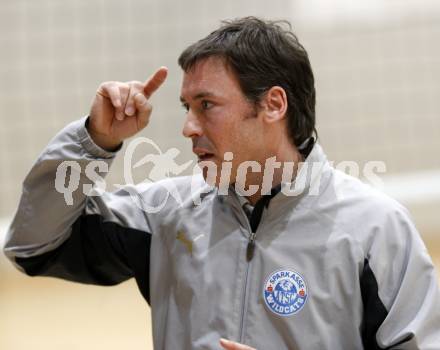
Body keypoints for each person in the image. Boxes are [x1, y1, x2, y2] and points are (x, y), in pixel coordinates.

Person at [3, 17, 440, 350]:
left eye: (206, 105)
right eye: (186, 107)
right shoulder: (163, 215)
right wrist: (92, 141)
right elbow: (31, 245)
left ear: (272, 105)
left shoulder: (376, 230)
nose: (188, 128)